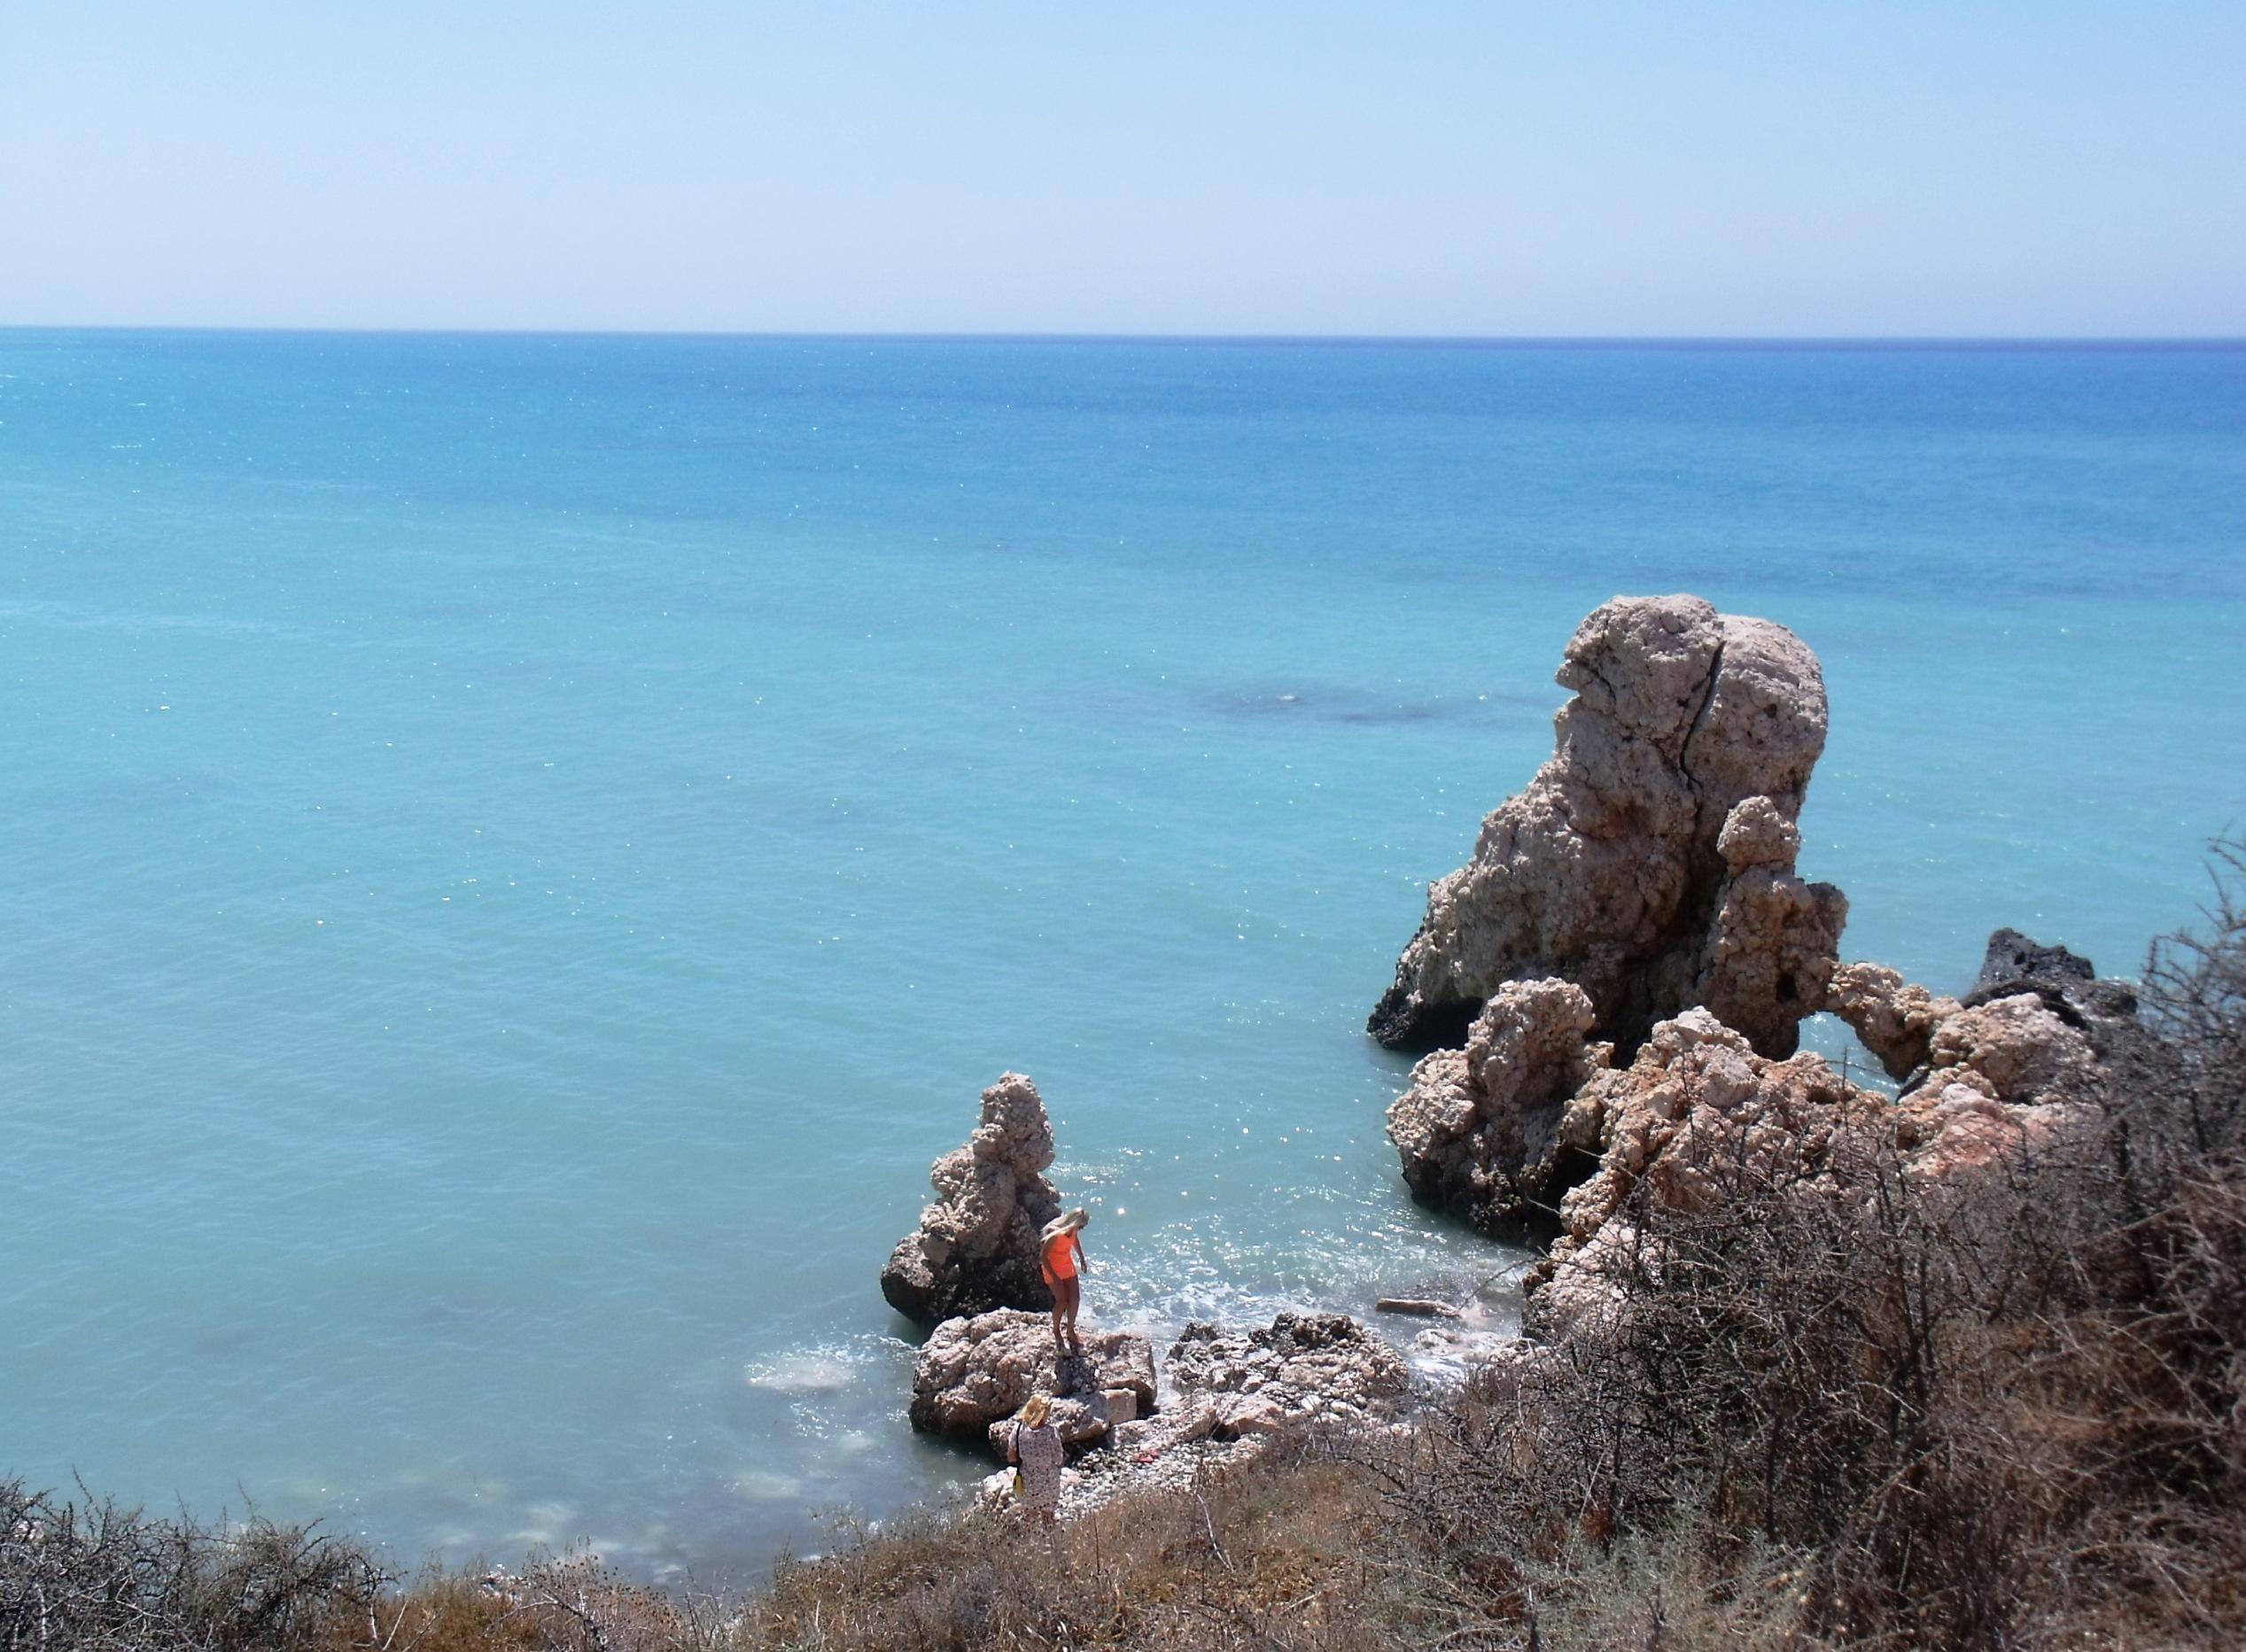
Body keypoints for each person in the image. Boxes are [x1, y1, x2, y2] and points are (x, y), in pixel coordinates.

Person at [1006, 1392, 1065, 1526]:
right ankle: (1049, 1542)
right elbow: (1058, 1459)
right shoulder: (1051, 1432)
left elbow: (1011, 1457)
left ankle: (1031, 1542)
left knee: (1029, 1518)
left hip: (1028, 1484)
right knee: (1048, 1517)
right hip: (1049, 1484)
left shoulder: (1019, 1429)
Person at [1040, 1208, 1090, 1347]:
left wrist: (1082, 1258)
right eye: (1081, 1226)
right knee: (1062, 1301)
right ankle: (1056, 1331)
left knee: (1075, 1299)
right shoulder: (1054, 1233)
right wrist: (1054, 1276)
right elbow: (1043, 1257)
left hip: (1067, 1266)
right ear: (1074, 1222)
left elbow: (1075, 1241)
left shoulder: (1072, 1230)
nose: (1081, 1229)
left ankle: (1070, 1331)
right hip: (1052, 1268)